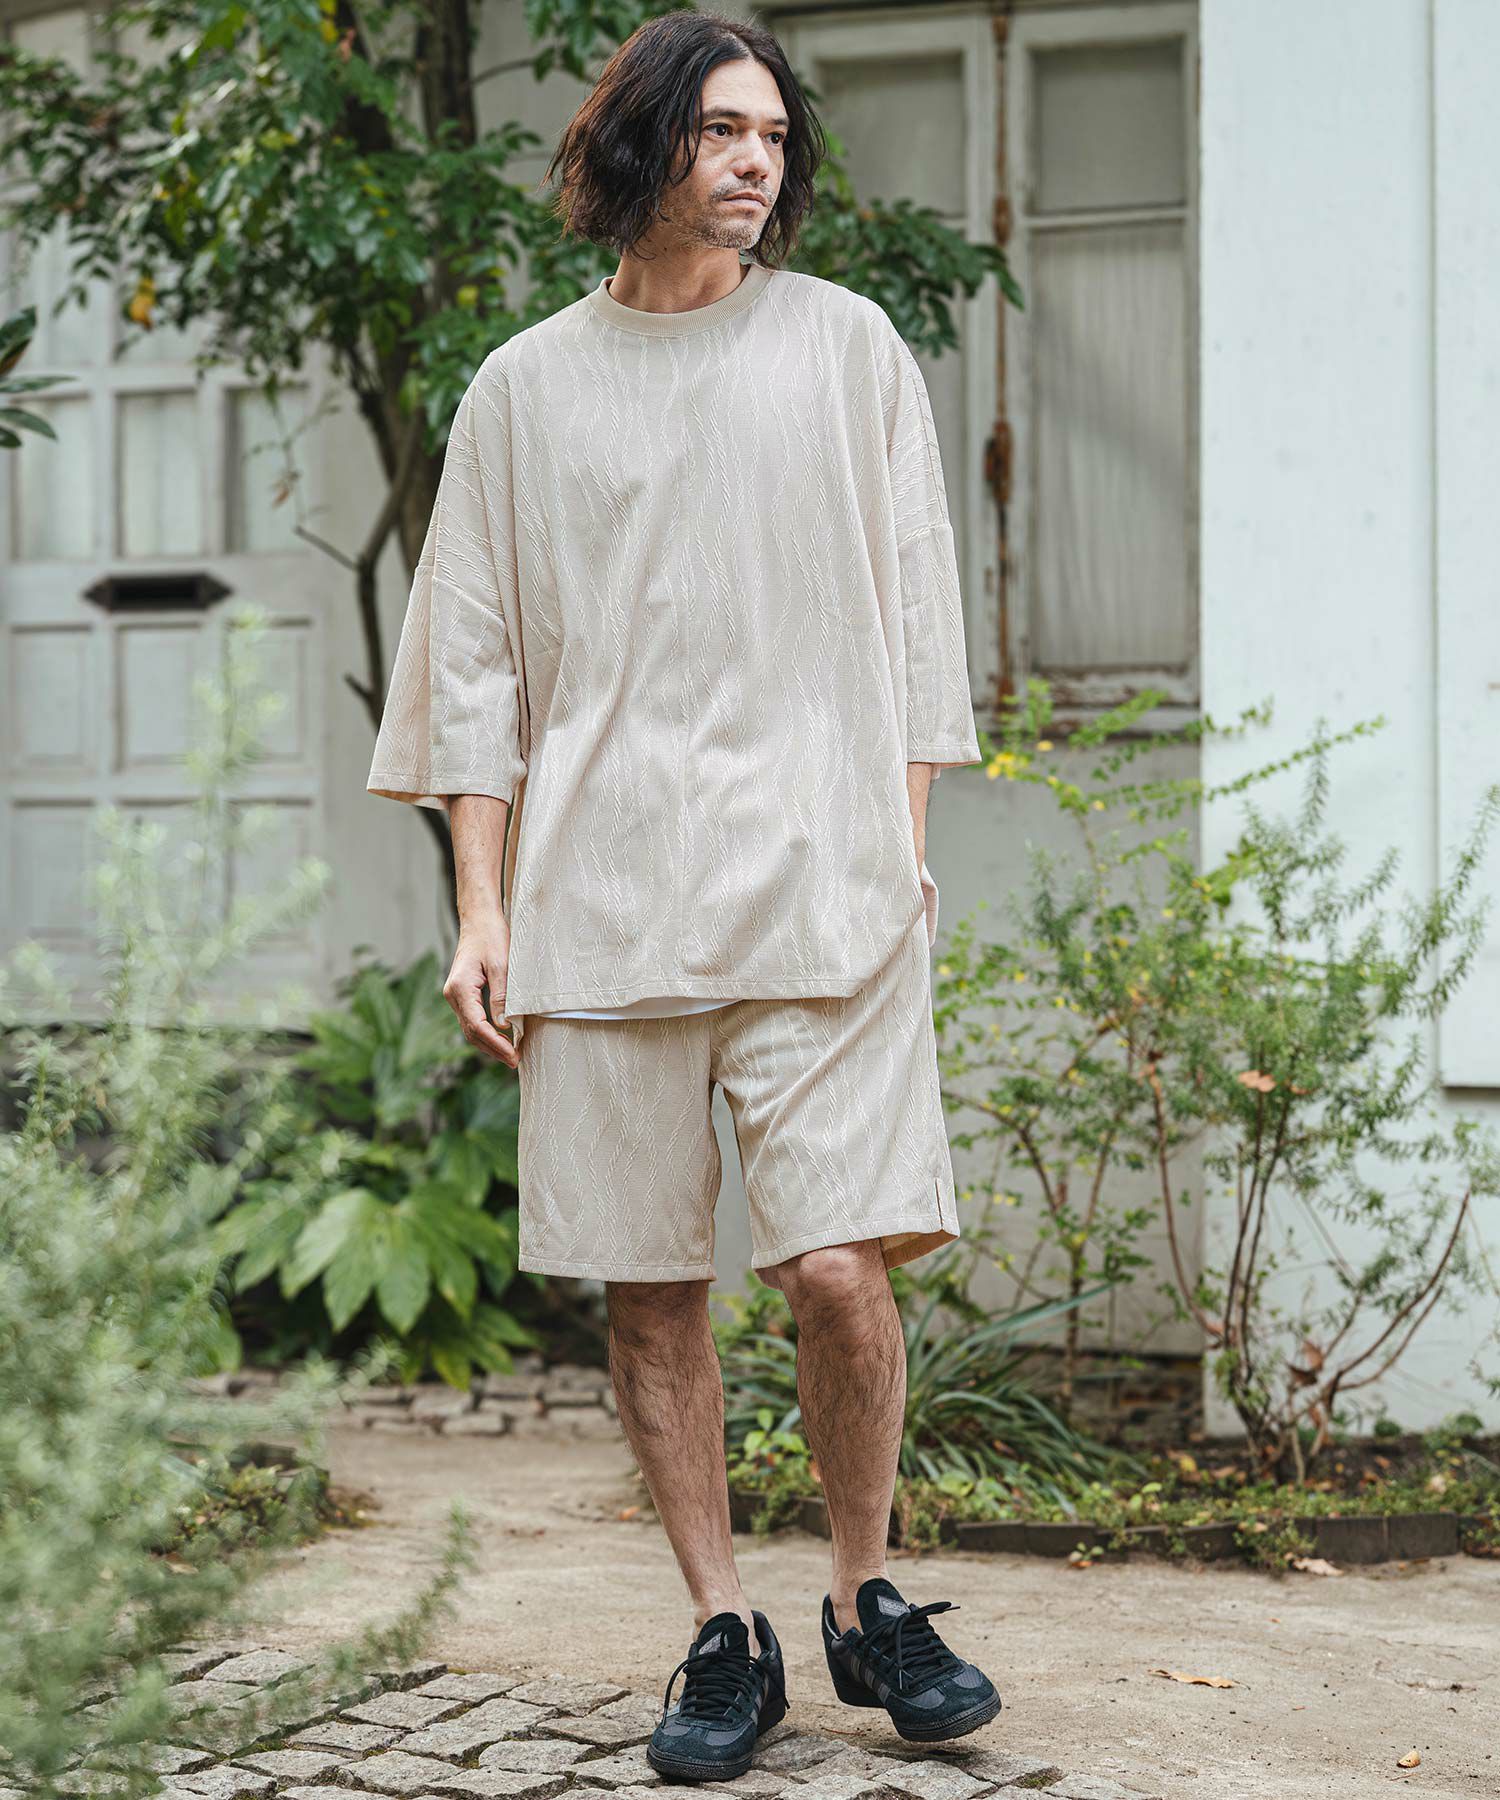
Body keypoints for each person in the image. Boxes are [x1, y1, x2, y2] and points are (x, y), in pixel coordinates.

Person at [366, 9, 1000, 1782]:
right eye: (723, 131)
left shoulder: (848, 347)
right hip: (606, 899)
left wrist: (902, 836)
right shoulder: (525, 390)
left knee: (837, 1267)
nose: (755, 163)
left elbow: (918, 616)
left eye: (773, 138)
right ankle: (724, 1630)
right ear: (640, 142)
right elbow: (474, 669)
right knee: (651, 1290)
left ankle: (865, 1597)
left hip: (825, 890)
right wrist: (484, 906)